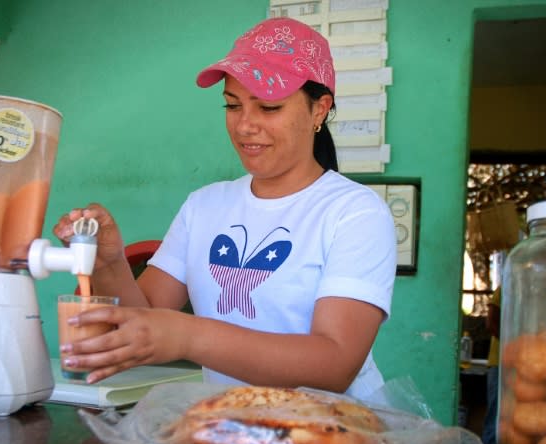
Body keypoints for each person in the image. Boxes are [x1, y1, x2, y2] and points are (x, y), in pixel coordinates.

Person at [53, 17, 397, 402]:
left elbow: (335, 364)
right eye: (232, 105)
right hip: (235, 427)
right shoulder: (204, 205)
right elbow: (145, 317)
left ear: (319, 110)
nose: (245, 125)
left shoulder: (354, 212)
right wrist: (109, 263)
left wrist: (188, 335)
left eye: (268, 107)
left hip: (337, 437)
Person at [481, 286, 501, 444]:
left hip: (530, 366)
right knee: (496, 413)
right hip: (500, 362)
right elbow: (491, 323)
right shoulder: (506, 287)